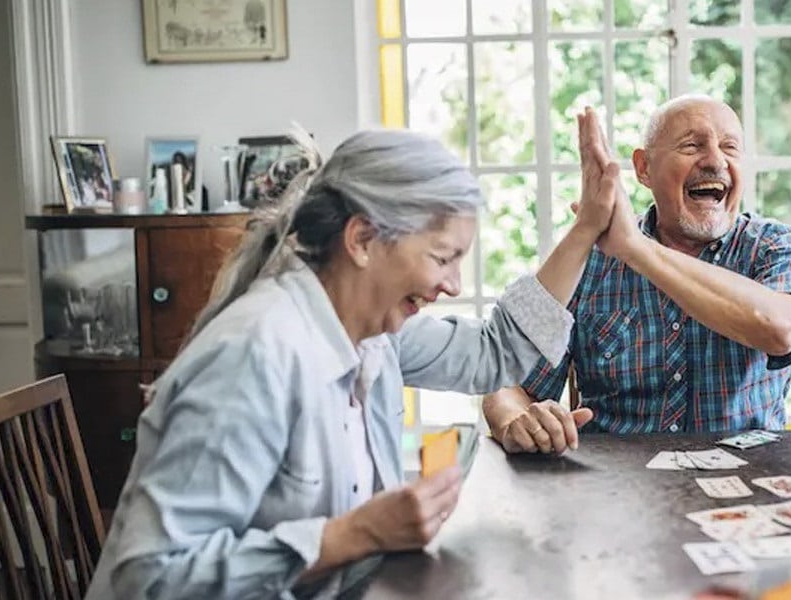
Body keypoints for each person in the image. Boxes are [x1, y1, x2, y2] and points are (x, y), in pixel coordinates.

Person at [86, 112, 620, 599]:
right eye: (442, 258)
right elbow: (150, 579)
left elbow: (492, 352)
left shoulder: (371, 332)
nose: (453, 285)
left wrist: (587, 227)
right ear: (362, 239)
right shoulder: (254, 356)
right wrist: (356, 533)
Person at [482, 95, 791, 455]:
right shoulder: (587, 263)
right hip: (617, 491)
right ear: (644, 169)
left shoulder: (777, 247)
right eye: (692, 145)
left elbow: (780, 330)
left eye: (730, 147)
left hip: (748, 486)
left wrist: (635, 248)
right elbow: (508, 384)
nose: (716, 160)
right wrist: (517, 420)